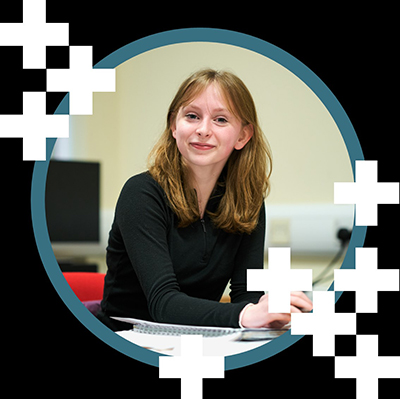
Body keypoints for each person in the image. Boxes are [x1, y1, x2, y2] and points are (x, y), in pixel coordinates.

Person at [97, 68, 312, 331]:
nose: (203, 129)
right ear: (174, 126)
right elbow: (163, 303)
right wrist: (246, 316)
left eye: (220, 119)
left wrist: (269, 314)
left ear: (243, 136)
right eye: (192, 116)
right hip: (128, 335)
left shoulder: (248, 199)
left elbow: (246, 295)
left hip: (201, 337)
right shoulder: (141, 193)